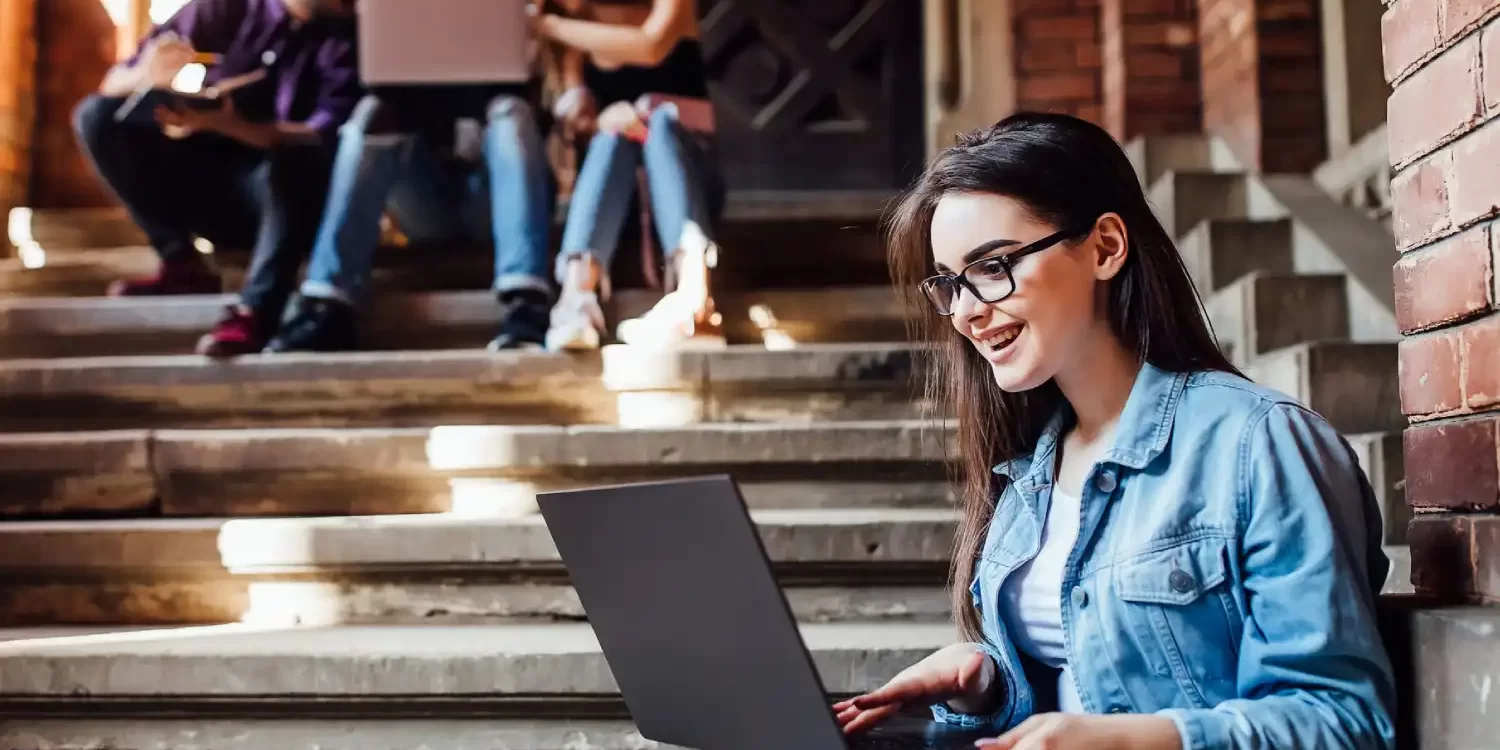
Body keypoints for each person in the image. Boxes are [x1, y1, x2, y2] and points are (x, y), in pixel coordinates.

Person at [833, 114, 1396, 750]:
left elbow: (1342, 722)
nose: (964, 311)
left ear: (1105, 247)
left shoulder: (1259, 444)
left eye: (992, 266)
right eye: (948, 283)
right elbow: (1079, 677)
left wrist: (1134, 740)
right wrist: (988, 684)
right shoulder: (1027, 469)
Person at [73, 0, 360, 356]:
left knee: (295, 157)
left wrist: (232, 125)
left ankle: (254, 310)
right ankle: (180, 262)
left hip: (292, 201)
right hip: (216, 185)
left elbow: (324, 135)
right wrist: (146, 75)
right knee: (98, 116)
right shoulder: (225, 8)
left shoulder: (348, 33)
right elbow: (113, 82)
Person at [251, 43, 555, 353]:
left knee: (512, 110)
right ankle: (327, 304)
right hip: (426, 199)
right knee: (371, 113)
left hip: (492, 200)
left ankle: (526, 304)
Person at [533, 0, 726, 350]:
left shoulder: (669, 7)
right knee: (614, 131)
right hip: (622, 198)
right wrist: (593, 118)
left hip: (688, 182)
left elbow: (650, 46)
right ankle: (576, 298)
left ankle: (696, 300)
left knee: (660, 122)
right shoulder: (577, 39)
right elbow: (583, 121)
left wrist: (549, 26)